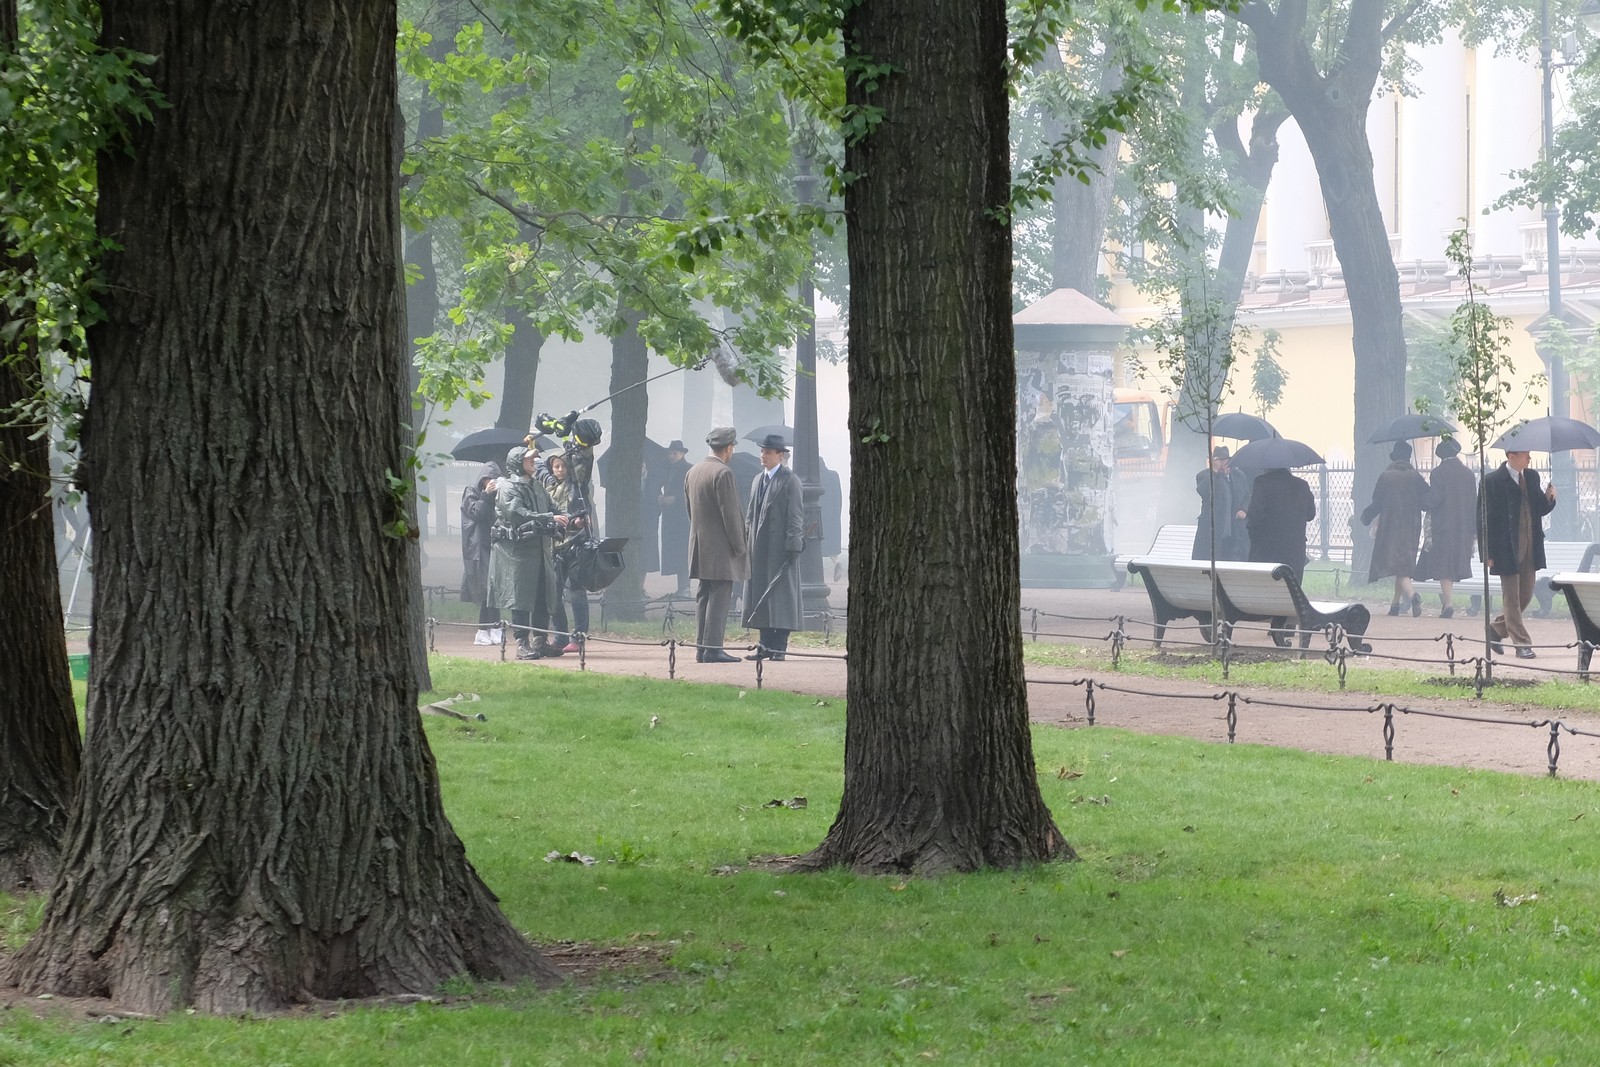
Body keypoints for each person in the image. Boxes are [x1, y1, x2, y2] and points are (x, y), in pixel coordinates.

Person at [488, 445, 569, 660]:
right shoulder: (509, 487)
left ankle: (540, 641)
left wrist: (573, 519)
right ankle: (522, 643)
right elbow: (517, 514)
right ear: (517, 463)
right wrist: (548, 518)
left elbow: (555, 508)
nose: (534, 461)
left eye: (534, 458)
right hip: (517, 554)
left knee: (543, 595)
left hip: (541, 551)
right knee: (520, 597)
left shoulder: (537, 486)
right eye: (529, 459)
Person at [1480, 448, 1556, 658]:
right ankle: (1521, 643)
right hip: (1506, 548)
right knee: (1511, 598)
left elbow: (1539, 508)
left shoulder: (1531, 477)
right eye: (1525, 454)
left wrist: (1550, 498)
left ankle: (1496, 629)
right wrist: (1487, 551)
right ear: (1511, 456)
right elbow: (1483, 518)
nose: (1529, 458)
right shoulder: (1493, 481)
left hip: (1531, 547)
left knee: (1526, 594)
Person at [685, 427, 748, 664]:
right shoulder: (723, 473)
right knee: (721, 595)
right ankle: (713, 648)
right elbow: (731, 514)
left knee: (703, 595)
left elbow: (690, 510)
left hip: (699, 543)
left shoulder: (693, 471)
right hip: (721, 547)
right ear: (729, 448)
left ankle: (701, 648)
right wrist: (740, 547)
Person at [742, 433, 804, 661]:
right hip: (759, 547)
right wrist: (747, 536)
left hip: (779, 548)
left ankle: (779, 647)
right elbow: (750, 513)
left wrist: (793, 545)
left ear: (780, 455)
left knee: (782, 596)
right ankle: (764, 645)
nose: (763, 456)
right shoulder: (758, 479)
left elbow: (796, 515)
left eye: (768, 452)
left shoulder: (790, 480)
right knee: (760, 595)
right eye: (762, 451)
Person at [1361, 440, 1432, 616]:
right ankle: (1395, 604)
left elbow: (1377, 502)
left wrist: (1366, 517)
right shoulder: (1415, 476)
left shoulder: (1386, 476)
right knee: (1403, 565)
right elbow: (1426, 501)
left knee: (1399, 566)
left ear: (1394, 458)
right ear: (1408, 458)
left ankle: (1413, 595)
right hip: (1411, 527)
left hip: (1391, 526)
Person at [1414, 437, 1477, 618]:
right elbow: (1473, 500)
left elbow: (1435, 499)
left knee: (1444, 565)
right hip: (1464, 527)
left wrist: (1422, 498)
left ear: (1441, 455)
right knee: (1453, 563)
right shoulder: (1468, 474)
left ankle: (1448, 604)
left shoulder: (1438, 473)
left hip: (1443, 525)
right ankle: (1446, 602)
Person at [544, 452, 589, 654]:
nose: (560, 470)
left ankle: (579, 637)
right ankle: (560, 636)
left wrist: (577, 521)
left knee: (577, 593)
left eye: (563, 466)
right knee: (554, 594)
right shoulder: (549, 488)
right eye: (556, 467)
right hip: (554, 546)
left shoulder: (578, 486)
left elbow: (579, 513)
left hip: (575, 545)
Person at [1245, 465, 1317, 580]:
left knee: (1264, 589)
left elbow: (1254, 515)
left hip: (1266, 550)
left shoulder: (1261, 483)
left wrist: (1253, 535)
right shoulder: (1302, 485)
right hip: (1295, 550)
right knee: (1292, 591)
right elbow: (1310, 514)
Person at [460, 460, 502, 645]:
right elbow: (476, 513)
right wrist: (486, 495)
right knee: (485, 588)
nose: (490, 482)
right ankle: (485, 628)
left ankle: (491, 628)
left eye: (494, 479)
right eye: (488, 479)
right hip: (478, 548)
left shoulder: (499, 494)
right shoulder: (472, 492)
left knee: (494, 587)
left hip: (496, 544)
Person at [1192, 446, 1249, 561]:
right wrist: (1214, 471)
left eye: (1225, 460)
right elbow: (1203, 491)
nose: (1223, 463)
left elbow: (1247, 495)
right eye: (1219, 460)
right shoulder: (1204, 476)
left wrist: (1243, 509)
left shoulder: (1238, 476)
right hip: (1213, 534)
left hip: (1234, 534)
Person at [656, 440, 692, 598]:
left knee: (683, 551)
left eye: (675, 453)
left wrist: (675, 499)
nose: (671, 456)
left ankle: (685, 587)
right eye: (670, 453)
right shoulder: (666, 468)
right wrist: (661, 498)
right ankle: (681, 588)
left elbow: (691, 492)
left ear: (682, 453)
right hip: (670, 516)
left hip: (683, 518)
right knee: (675, 551)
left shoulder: (689, 469)